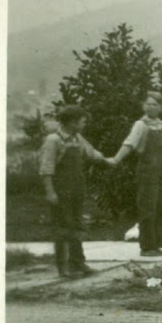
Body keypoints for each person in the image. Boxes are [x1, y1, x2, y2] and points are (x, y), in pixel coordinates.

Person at [109, 92, 162, 257]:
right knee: (148, 207)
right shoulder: (140, 125)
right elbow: (129, 144)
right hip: (147, 171)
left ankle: (158, 244)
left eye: (155, 104)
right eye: (148, 104)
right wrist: (116, 159)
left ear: (160, 108)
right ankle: (147, 247)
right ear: (143, 106)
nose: (151, 107)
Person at [38, 105, 113, 276]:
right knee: (63, 227)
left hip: (77, 190)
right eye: (82, 121)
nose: (84, 124)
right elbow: (46, 169)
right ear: (72, 122)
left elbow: (92, 153)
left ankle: (78, 263)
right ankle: (63, 267)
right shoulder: (53, 140)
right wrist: (50, 192)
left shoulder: (77, 138)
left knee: (77, 226)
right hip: (61, 191)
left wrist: (109, 161)